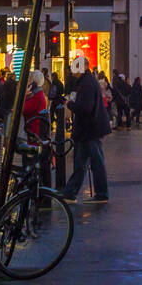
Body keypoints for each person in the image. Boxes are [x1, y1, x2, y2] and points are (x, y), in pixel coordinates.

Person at [61, 55, 111, 204]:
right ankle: (71, 192)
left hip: (90, 128)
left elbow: (85, 107)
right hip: (89, 128)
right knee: (83, 161)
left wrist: (70, 104)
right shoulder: (86, 81)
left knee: (93, 161)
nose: (73, 71)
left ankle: (99, 193)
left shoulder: (87, 83)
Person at [22, 70, 49, 142]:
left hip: (34, 130)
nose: (28, 83)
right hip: (32, 128)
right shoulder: (36, 94)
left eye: (30, 80)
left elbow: (23, 109)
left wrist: (24, 96)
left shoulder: (37, 96)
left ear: (34, 82)